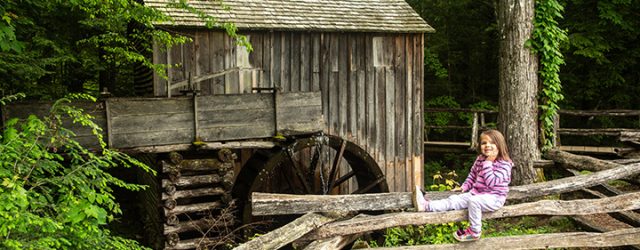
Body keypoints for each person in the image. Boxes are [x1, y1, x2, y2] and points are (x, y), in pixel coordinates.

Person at [413, 129, 513, 242]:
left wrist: (488, 162)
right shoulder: (480, 159)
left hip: (494, 198)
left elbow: (491, 182)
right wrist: (464, 187)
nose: (487, 146)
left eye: (492, 143)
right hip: (476, 194)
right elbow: (472, 175)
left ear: (500, 145)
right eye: (484, 143)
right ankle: (426, 206)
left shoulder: (505, 164)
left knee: (474, 201)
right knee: (454, 200)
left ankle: (475, 232)